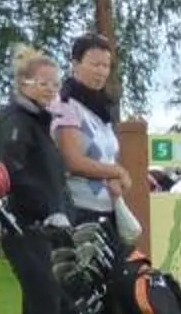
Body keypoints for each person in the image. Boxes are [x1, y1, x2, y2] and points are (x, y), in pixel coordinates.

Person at [0, 46, 76, 314]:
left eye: (55, 84)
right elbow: (12, 174)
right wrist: (46, 210)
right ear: (24, 84)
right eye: (43, 83)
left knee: (38, 307)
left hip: (44, 229)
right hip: (23, 226)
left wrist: (61, 212)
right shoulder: (16, 121)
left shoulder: (39, 123)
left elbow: (51, 179)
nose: (50, 90)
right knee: (45, 307)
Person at [53, 33, 133, 259]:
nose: (101, 71)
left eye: (106, 66)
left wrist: (115, 178)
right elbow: (73, 161)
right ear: (75, 64)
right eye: (95, 64)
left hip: (108, 211)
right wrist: (116, 171)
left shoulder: (101, 111)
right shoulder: (65, 106)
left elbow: (105, 158)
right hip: (79, 213)